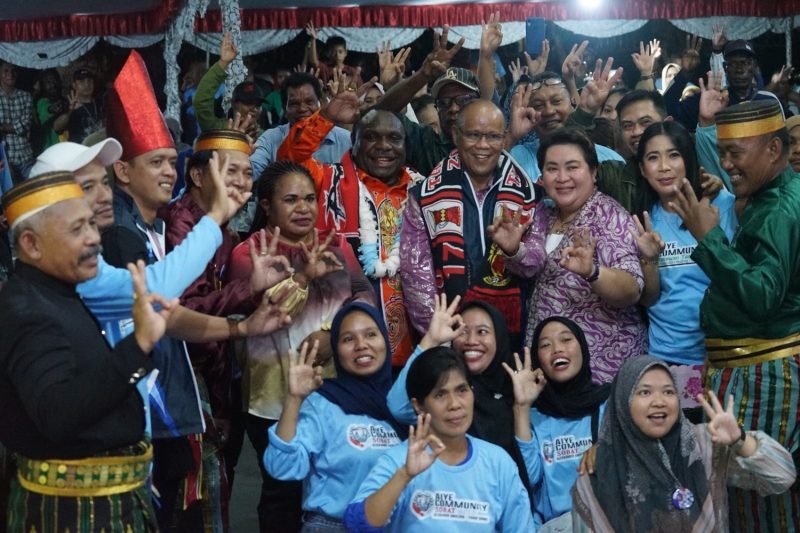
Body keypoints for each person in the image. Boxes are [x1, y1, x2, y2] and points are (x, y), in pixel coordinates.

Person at [0, 171, 174, 532]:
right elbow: (58, 414)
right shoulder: (27, 310)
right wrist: (138, 344)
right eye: (77, 230)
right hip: (73, 514)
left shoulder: (57, 294)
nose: (95, 239)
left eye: (92, 226)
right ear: (31, 244)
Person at [670, 99, 800, 531]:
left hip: (763, 375)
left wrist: (708, 238)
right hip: (753, 370)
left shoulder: (778, 209)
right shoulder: (770, 198)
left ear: (774, 151)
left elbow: (762, 296)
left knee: (764, 496)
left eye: (736, 154)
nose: (725, 165)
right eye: (721, 153)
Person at [227, 160, 374, 532]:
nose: (304, 208)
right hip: (272, 396)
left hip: (334, 390)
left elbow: (364, 295)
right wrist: (305, 276)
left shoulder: (336, 244)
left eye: (310, 199)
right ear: (266, 205)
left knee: (330, 483)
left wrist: (334, 333)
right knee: (283, 489)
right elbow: (266, 312)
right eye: (291, 200)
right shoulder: (250, 254)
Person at [276, 77, 421, 368]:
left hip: (415, 343)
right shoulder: (327, 181)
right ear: (353, 142)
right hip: (339, 342)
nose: (383, 147)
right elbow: (288, 159)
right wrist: (327, 117)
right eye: (371, 137)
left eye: (394, 138)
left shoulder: (422, 189)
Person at [571, 356, 796, 532]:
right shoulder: (597, 475)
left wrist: (740, 440)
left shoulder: (703, 446)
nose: (659, 401)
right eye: (644, 392)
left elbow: (782, 477)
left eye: (668, 392)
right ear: (621, 403)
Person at [343, 346, 535, 531]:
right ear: (419, 406)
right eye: (440, 394)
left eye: (462, 390)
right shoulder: (399, 460)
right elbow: (358, 525)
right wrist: (404, 476)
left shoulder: (498, 462)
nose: (454, 404)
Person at [400, 99, 544, 345]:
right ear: (456, 135)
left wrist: (515, 251)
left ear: (504, 137)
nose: (483, 145)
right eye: (474, 135)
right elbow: (416, 278)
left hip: (512, 338)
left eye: (492, 136)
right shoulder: (424, 196)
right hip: (449, 337)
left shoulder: (528, 194)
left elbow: (536, 263)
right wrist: (444, 338)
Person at [520, 129, 646, 383]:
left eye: (572, 167)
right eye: (552, 168)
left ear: (593, 172)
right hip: (552, 369)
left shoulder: (609, 217)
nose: (562, 177)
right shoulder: (543, 215)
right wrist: (513, 250)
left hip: (601, 369)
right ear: (541, 176)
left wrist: (593, 272)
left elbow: (632, 289)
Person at [263, 303, 403, 531]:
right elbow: (282, 467)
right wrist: (294, 399)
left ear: (386, 342)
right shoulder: (323, 402)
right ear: (336, 350)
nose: (361, 345)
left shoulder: (401, 403)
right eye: (348, 339)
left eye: (370, 334)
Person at [631, 121, 737, 411]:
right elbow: (649, 298)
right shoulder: (643, 218)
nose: (664, 166)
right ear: (642, 169)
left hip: (721, 351)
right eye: (653, 158)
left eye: (674, 155)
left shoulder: (723, 205)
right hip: (666, 355)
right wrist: (649, 259)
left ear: (689, 160)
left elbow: (737, 280)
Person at [388, 296, 532, 497]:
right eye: (463, 332)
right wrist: (431, 340)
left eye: (482, 332)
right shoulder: (440, 397)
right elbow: (398, 407)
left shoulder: (516, 391)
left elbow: (531, 477)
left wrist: (522, 407)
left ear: (499, 338)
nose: (471, 341)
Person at [504, 317, 610, 530]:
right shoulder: (532, 415)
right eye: (545, 345)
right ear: (538, 360)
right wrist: (522, 407)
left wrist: (608, 449)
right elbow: (530, 479)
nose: (556, 349)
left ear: (583, 348)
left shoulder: (608, 404)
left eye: (566, 340)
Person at [250, 71, 352, 180]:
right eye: (294, 104)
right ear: (284, 109)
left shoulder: (346, 140)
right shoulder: (270, 139)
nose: (302, 109)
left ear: (321, 103)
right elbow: (251, 172)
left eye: (309, 102)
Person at [194, 33, 264, 139]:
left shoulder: (266, 136)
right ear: (234, 104)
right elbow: (201, 102)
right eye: (248, 103)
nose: (254, 108)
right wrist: (223, 63)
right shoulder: (220, 130)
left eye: (258, 105)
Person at [0, 61, 34, 180]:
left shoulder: (26, 96)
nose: (10, 74)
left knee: (35, 191)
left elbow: (26, 125)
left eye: (13, 70)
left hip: (26, 156)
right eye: (6, 71)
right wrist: (16, 127)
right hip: (4, 158)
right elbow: (20, 126)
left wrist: (3, 127)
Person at [67, 67, 103, 143]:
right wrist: (71, 110)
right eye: (82, 81)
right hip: (82, 151)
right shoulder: (69, 106)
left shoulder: (101, 102)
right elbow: (57, 127)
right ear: (74, 85)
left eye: (89, 81)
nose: (87, 84)